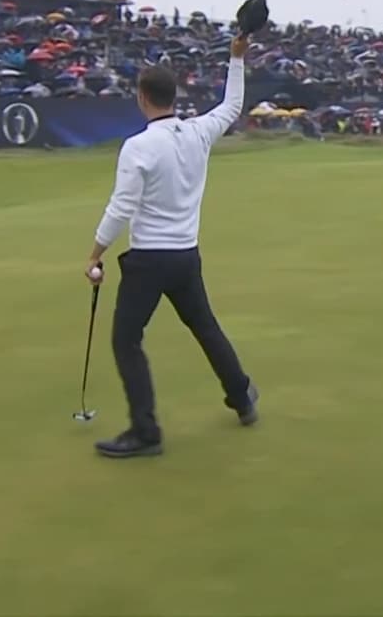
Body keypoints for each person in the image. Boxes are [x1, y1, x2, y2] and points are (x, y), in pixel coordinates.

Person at [84, 30, 257, 458]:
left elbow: (122, 208)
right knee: (204, 326)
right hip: (185, 257)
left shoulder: (139, 146)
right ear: (173, 97)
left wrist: (95, 253)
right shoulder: (197, 132)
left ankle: (146, 432)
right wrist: (236, 58)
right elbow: (232, 106)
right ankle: (241, 395)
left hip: (149, 261)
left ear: (143, 98)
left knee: (126, 340)